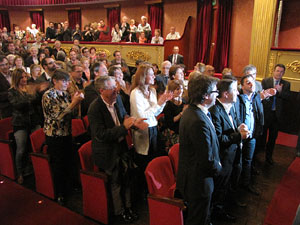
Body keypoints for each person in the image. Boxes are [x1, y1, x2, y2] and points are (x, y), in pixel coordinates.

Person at [88, 76, 142, 223]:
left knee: (127, 178)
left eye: (115, 87)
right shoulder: (95, 108)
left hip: (122, 146)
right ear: (102, 90)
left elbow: (124, 115)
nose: (116, 90)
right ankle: (120, 211)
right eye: (112, 88)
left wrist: (133, 122)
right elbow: (101, 135)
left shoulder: (117, 99)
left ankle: (128, 207)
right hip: (107, 151)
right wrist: (124, 127)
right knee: (116, 182)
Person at [176, 75, 221, 225]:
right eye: (215, 92)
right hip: (198, 183)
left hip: (195, 179)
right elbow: (205, 160)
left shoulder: (194, 112)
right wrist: (219, 167)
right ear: (206, 95)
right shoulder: (197, 120)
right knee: (198, 220)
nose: (217, 95)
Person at [209, 78, 249, 222]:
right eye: (235, 90)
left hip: (233, 154)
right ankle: (216, 216)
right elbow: (219, 140)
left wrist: (241, 127)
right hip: (223, 157)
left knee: (227, 187)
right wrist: (239, 135)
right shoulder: (215, 111)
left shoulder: (230, 106)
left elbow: (234, 124)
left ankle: (223, 209)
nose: (238, 93)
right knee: (219, 189)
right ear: (226, 94)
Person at [42, 69, 84, 204]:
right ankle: (60, 192)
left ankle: (70, 185)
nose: (67, 84)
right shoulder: (49, 95)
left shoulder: (64, 94)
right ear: (55, 81)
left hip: (66, 132)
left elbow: (72, 115)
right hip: (54, 134)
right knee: (58, 164)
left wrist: (77, 103)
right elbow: (58, 116)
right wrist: (74, 103)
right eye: (64, 81)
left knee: (69, 160)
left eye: (67, 81)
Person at [8, 68, 42, 184]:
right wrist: (30, 95)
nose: (24, 79)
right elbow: (18, 105)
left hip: (33, 121)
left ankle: (37, 169)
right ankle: (19, 172)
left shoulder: (29, 88)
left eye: (25, 77)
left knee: (39, 145)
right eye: (22, 77)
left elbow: (37, 100)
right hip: (20, 123)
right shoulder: (12, 91)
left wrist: (35, 93)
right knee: (21, 149)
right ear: (16, 79)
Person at [238, 74, 264, 195]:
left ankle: (246, 184)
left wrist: (258, 131)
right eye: (248, 82)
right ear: (242, 86)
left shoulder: (256, 97)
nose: (251, 84)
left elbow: (260, 114)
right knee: (238, 162)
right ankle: (236, 187)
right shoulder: (238, 99)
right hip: (241, 136)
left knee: (248, 160)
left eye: (252, 81)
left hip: (252, 135)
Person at [261, 64, 290, 165]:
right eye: (277, 71)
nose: (279, 73)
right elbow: (262, 96)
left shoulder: (286, 84)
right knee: (262, 136)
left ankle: (269, 157)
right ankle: (258, 156)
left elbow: (287, 97)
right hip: (266, 113)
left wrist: (280, 92)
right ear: (273, 71)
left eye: (281, 72)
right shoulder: (266, 81)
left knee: (273, 138)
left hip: (276, 115)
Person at [163, 80, 187, 146]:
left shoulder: (184, 101)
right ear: (171, 91)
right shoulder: (168, 104)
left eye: (181, 88)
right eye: (177, 89)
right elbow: (170, 122)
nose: (180, 91)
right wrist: (182, 113)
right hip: (173, 130)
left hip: (182, 128)